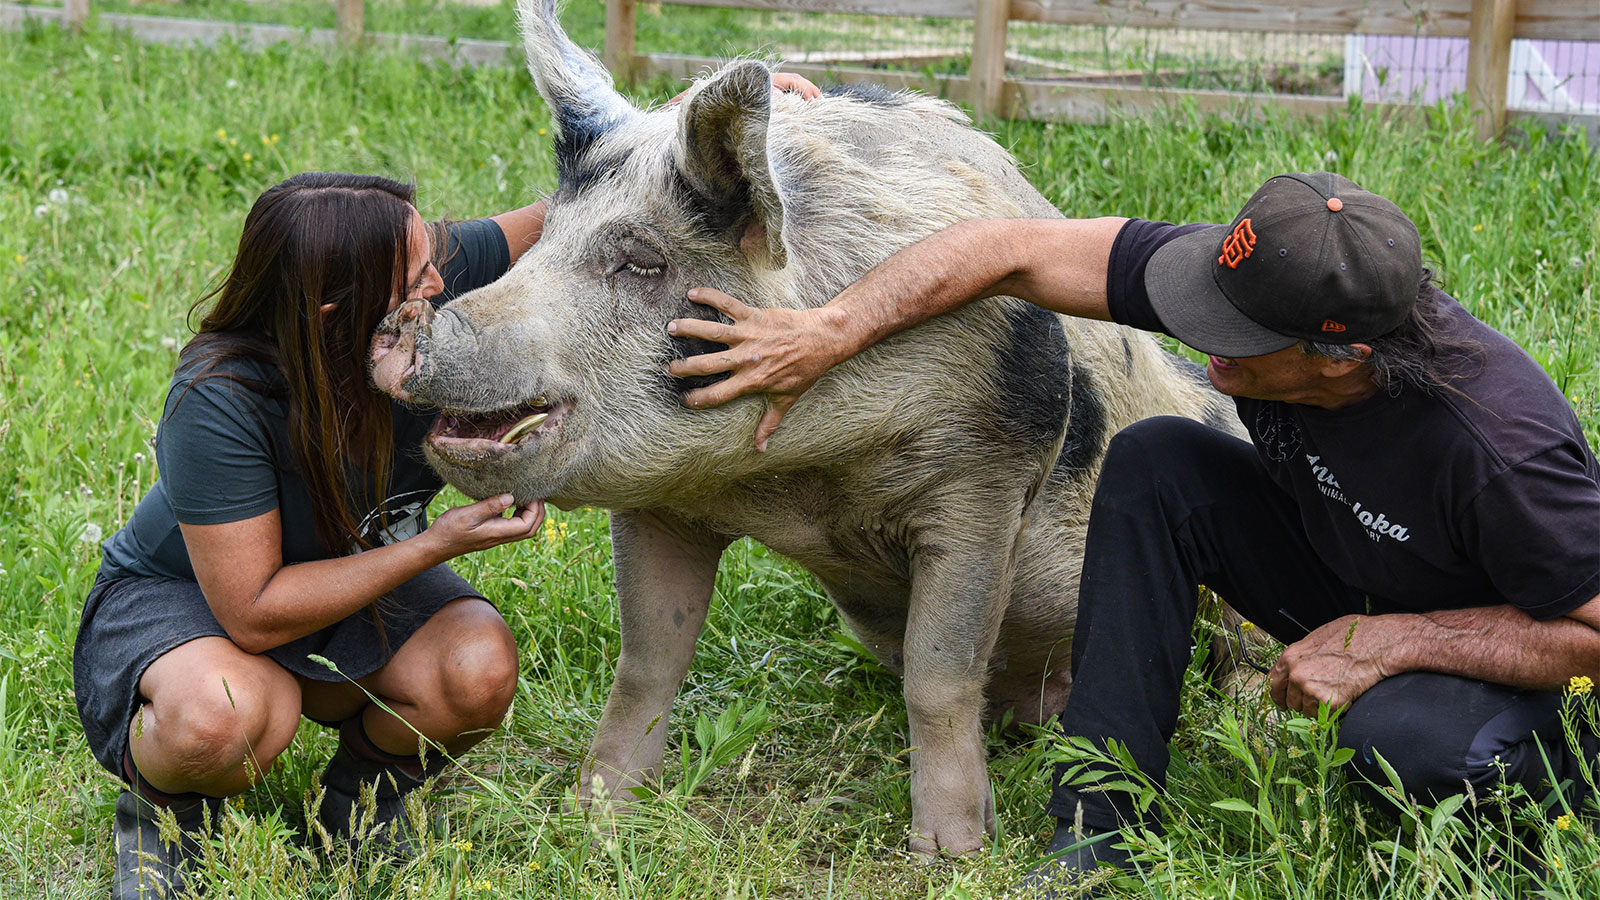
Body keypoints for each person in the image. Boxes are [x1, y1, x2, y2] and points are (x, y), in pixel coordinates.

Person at [661, 172, 1600, 894]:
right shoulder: (1265, 288)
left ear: (1342, 355)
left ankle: (1555, 808)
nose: (1203, 338)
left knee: (1401, 741)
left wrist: (1395, 643)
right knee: (1159, 459)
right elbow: (1008, 248)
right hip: (1364, 567)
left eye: (1234, 333)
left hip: (1515, 650)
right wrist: (829, 331)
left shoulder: (1496, 446)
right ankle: (1101, 828)